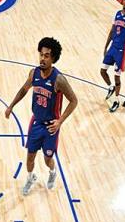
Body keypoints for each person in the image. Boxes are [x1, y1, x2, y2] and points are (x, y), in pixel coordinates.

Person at [5, 38, 78, 195]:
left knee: (47, 159)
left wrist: (60, 121)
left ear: (53, 58)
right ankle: (31, 177)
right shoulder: (34, 73)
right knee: (30, 157)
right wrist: (11, 106)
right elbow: (24, 90)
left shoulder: (59, 79)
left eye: (46, 56)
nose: (42, 59)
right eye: (41, 55)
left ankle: (53, 172)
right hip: (36, 123)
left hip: (51, 127)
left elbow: (74, 101)